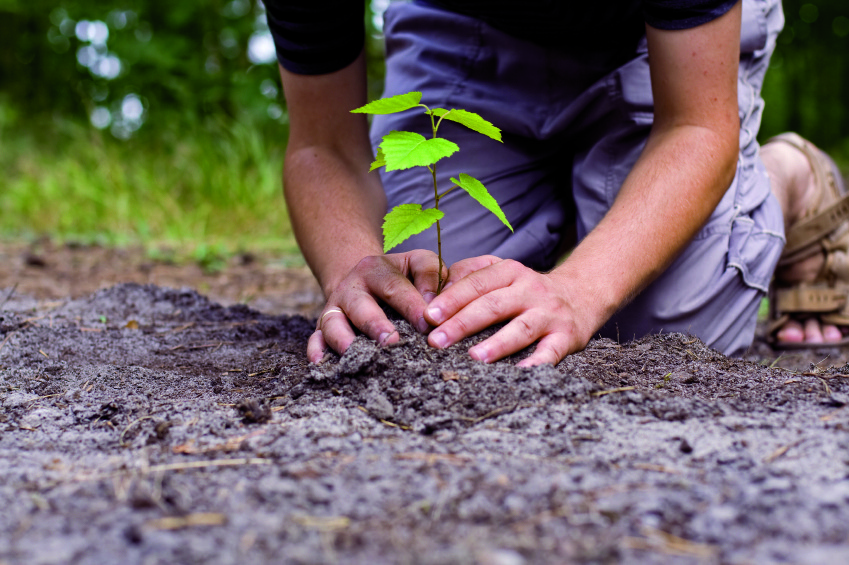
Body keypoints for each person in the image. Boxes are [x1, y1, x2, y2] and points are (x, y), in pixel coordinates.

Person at [266, 0, 848, 366]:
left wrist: (580, 290)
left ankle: (785, 178)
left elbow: (696, 123)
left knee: (657, 338)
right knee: (431, 310)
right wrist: (352, 269)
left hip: (669, 43)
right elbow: (324, 144)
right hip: (466, 24)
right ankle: (589, 201)